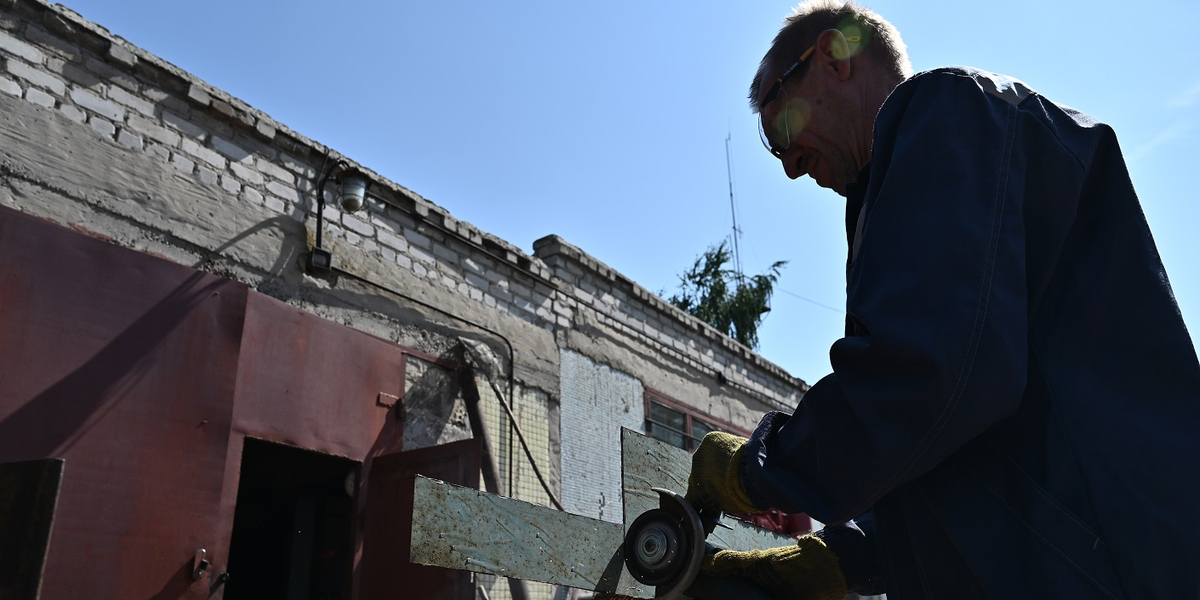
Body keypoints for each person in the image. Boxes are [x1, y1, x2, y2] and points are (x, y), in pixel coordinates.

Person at [683, 1, 1200, 599]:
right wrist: (849, 556)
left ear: (833, 55)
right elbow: (957, 441)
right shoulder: (913, 180)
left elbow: (930, 374)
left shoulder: (947, 110)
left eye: (781, 128)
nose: (791, 166)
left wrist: (757, 470)